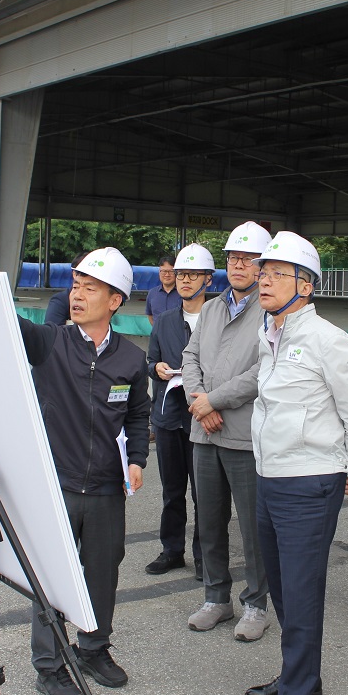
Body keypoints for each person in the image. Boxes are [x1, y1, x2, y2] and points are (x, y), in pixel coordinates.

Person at [245, 231, 348, 695]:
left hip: (309, 482)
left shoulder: (327, 339)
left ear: (307, 284)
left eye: (278, 274)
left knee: (299, 593)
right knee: (281, 587)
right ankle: (304, 676)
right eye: (264, 272)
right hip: (269, 477)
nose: (265, 281)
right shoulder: (269, 333)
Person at [15, 247, 151, 695]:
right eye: (76, 286)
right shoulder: (51, 342)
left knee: (102, 572)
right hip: (58, 484)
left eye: (89, 288)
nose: (78, 295)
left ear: (114, 300)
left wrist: (137, 459)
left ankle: (92, 649)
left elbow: (137, 414)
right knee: (52, 577)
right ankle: (49, 667)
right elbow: (10, 326)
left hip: (108, 490)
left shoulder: (131, 360)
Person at [181, 220, 271, 642]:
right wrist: (199, 401)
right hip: (204, 432)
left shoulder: (270, 311)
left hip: (241, 435)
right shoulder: (213, 308)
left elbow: (262, 371)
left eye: (249, 259)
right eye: (234, 258)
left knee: (253, 526)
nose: (239, 265)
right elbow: (190, 355)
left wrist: (213, 402)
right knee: (209, 520)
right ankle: (216, 598)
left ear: (262, 266)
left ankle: (256, 605)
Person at [145, 243, 214, 579]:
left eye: (192, 274)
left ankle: (204, 556)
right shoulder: (165, 320)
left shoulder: (218, 319)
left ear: (208, 280)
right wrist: (156, 368)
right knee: (172, 490)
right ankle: (172, 550)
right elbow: (149, 360)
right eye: (181, 274)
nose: (184, 280)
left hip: (203, 419)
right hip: (169, 416)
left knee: (204, 494)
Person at [45, 253, 86, 326]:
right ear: (74, 274)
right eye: (84, 273)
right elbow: (52, 333)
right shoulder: (60, 300)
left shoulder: (102, 299)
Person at [145, 254, 180, 325]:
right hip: (158, 335)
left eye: (171, 271)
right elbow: (150, 315)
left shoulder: (183, 293)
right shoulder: (152, 293)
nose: (167, 275)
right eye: (164, 271)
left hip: (178, 335)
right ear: (159, 272)